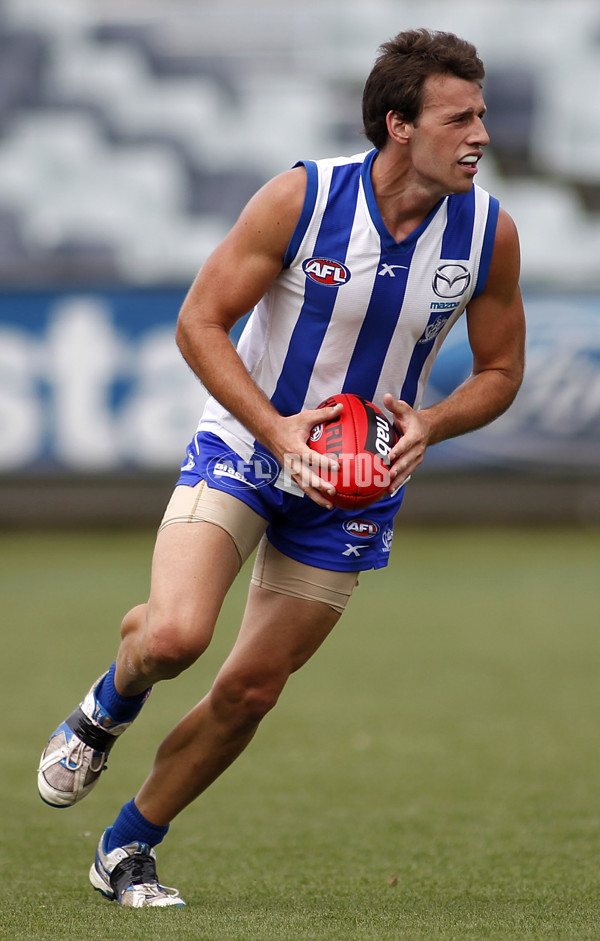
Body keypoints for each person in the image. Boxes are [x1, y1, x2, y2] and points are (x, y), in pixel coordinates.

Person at [38, 28, 525, 907]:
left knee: (253, 688)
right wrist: (277, 429)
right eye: (460, 119)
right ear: (398, 125)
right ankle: (110, 700)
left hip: (358, 491)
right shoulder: (302, 198)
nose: (481, 135)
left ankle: (126, 845)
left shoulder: (489, 234)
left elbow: (500, 372)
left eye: (482, 115)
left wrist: (436, 422)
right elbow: (199, 322)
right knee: (177, 637)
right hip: (247, 446)